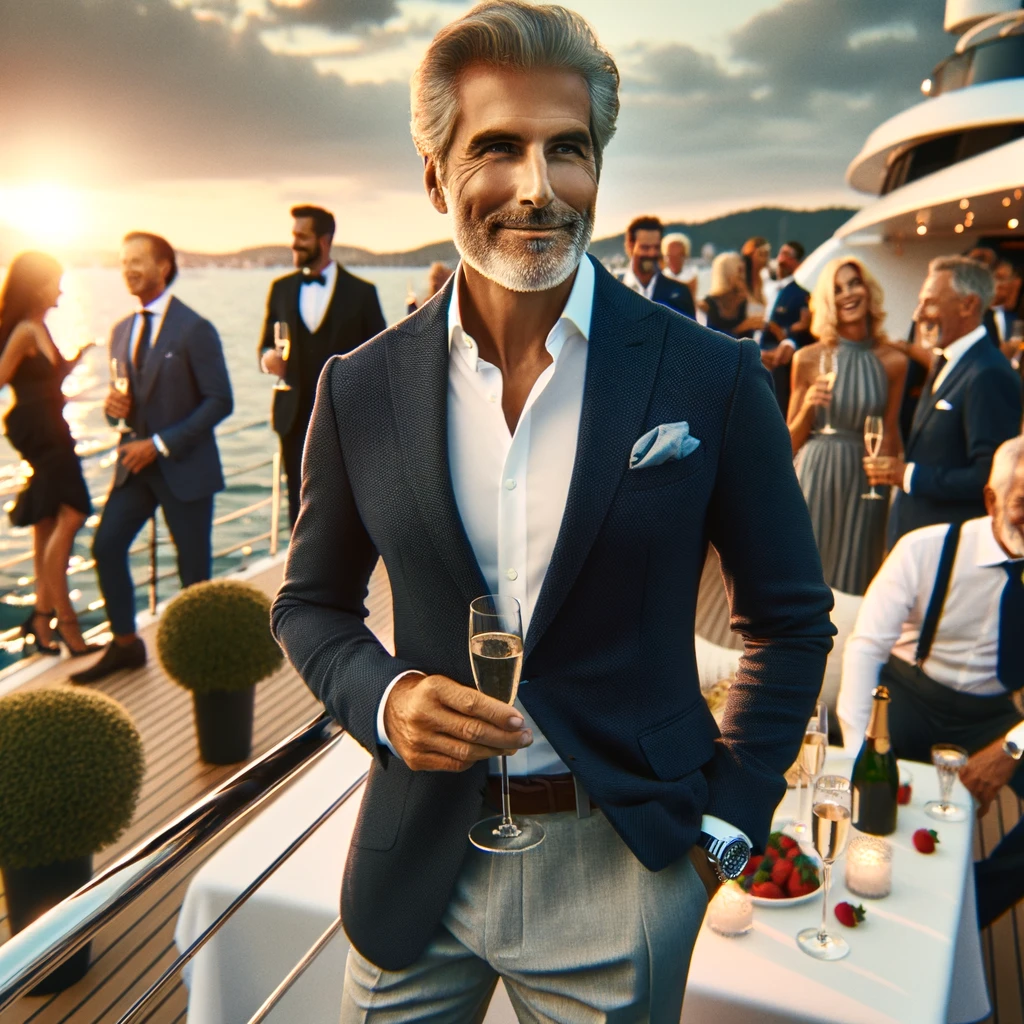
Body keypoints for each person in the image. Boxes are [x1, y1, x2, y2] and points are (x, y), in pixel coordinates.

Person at [271, 3, 835, 1019]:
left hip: (621, 869)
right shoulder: (358, 388)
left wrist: (726, 829)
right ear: (436, 174)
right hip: (417, 863)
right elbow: (309, 604)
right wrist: (386, 699)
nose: (537, 187)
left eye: (566, 149)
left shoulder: (706, 376)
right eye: (497, 147)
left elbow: (789, 620)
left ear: (597, 170)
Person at [837, 437, 1024, 928]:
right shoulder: (925, 548)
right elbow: (866, 649)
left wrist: (1012, 747)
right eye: (1023, 502)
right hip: (911, 694)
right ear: (991, 500)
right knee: (872, 804)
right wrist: (864, 753)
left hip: (995, 716)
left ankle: (963, 910)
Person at [70, 233, 233, 684]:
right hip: (134, 472)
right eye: (123, 262)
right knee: (105, 547)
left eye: (137, 261)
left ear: (163, 266)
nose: (128, 269)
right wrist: (110, 410)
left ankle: (204, 661)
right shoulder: (120, 330)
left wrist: (160, 443)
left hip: (183, 468)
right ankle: (125, 646)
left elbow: (220, 400)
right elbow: (120, 405)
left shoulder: (195, 328)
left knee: (193, 572)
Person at [864, 256, 1022, 548]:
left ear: (968, 305)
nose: (918, 314)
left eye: (930, 302)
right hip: (918, 538)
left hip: (945, 547)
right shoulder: (947, 358)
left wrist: (908, 475)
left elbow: (988, 477)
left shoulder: (989, 373)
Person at [258, 205, 386, 527]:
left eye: (302, 237)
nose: (294, 244)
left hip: (345, 417)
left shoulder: (362, 293)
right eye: (294, 236)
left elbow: (381, 357)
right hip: (292, 413)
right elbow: (265, 345)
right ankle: (299, 572)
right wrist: (268, 360)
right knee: (296, 504)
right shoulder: (281, 289)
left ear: (324, 240)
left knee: (345, 503)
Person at [788, 258, 907, 595]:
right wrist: (810, 405)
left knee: (857, 576)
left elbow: (891, 433)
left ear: (868, 290)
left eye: (854, 283)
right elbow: (787, 444)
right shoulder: (808, 358)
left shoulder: (894, 361)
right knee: (807, 578)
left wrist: (887, 492)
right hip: (815, 476)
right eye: (837, 289)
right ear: (827, 301)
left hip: (866, 482)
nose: (848, 294)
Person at [0, 253, 97, 656]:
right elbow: (4, 376)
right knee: (74, 512)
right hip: (40, 431)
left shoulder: (38, 326)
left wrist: (77, 357)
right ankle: (68, 625)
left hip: (51, 426)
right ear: (38, 287)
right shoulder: (24, 330)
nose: (60, 289)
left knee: (47, 519)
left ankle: (41, 620)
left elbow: (47, 376)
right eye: (55, 281)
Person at [760, 240, 812, 413]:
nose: (781, 259)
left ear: (797, 263)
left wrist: (787, 336)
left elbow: (804, 330)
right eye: (781, 253)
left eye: (787, 256)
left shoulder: (801, 294)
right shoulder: (764, 287)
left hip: (777, 361)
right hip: (755, 354)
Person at [620, 215, 695, 318]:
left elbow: (690, 333)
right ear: (630, 246)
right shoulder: (613, 290)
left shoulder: (680, 293)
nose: (652, 253)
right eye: (645, 248)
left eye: (656, 247)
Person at [701, 251, 763, 338]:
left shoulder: (745, 302)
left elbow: (760, 322)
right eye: (740, 271)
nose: (743, 276)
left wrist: (748, 294)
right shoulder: (706, 305)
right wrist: (739, 329)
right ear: (727, 273)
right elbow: (704, 338)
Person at [990, 259, 1022, 348]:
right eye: (994, 278)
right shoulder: (978, 317)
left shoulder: (1017, 316)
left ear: (1016, 282)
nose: (998, 284)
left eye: (1001, 278)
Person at [740, 235, 771, 319]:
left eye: (767, 254)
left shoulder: (764, 279)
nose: (765, 259)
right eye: (761, 254)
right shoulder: (740, 281)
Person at [661, 230, 697, 300]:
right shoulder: (659, 278)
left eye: (679, 256)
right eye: (670, 256)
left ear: (686, 256)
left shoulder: (692, 275)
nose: (674, 260)